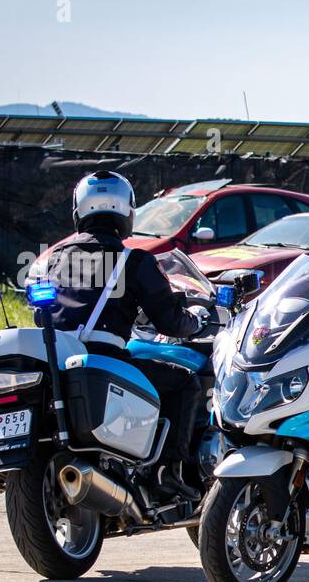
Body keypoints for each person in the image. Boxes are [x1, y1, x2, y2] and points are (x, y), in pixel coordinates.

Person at [36, 170, 208, 499]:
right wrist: (196, 322)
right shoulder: (133, 261)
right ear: (127, 212)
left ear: (78, 211)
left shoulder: (55, 259)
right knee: (185, 383)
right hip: (103, 360)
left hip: (56, 361)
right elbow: (169, 322)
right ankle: (167, 471)